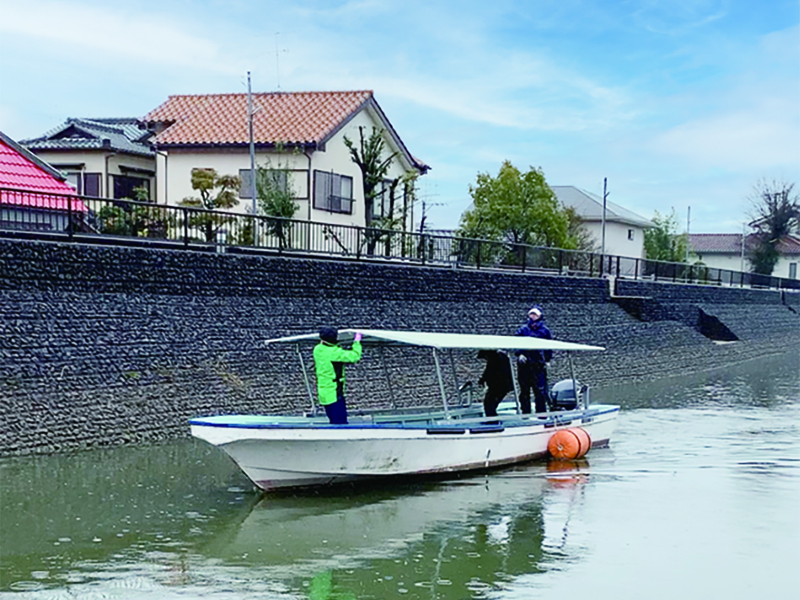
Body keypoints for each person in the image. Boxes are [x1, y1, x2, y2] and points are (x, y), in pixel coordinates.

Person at [312, 327, 363, 424]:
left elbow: (331, 348)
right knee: (340, 422)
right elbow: (354, 356)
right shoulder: (334, 353)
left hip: (323, 392)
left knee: (332, 419)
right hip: (334, 393)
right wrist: (357, 342)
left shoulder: (317, 349)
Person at [515, 305, 553, 414]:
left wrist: (547, 360)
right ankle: (525, 412)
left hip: (538, 364)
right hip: (524, 365)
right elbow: (516, 341)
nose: (533, 316)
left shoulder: (545, 331)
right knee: (524, 390)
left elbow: (549, 346)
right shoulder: (523, 329)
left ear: (540, 316)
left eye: (535, 314)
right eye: (531, 314)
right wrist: (519, 353)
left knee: (540, 390)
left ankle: (541, 413)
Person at [477, 349, 513, 417]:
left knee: (489, 404)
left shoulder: (495, 359)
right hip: (500, 386)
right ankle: (492, 418)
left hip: (499, 386)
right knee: (490, 404)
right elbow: (489, 371)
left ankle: (492, 420)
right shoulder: (497, 358)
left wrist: (484, 380)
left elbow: (490, 371)